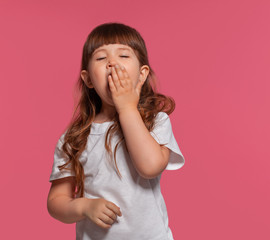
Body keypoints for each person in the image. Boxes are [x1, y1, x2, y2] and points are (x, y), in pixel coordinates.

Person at [47, 22, 185, 240]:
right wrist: (83, 207)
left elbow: (150, 167)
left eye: (123, 56)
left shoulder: (155, 120)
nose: (112, 63)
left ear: (142, 75)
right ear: (89, 79)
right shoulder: (74, 138)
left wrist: (127, 107)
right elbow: (56, 202)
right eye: (101, 58)